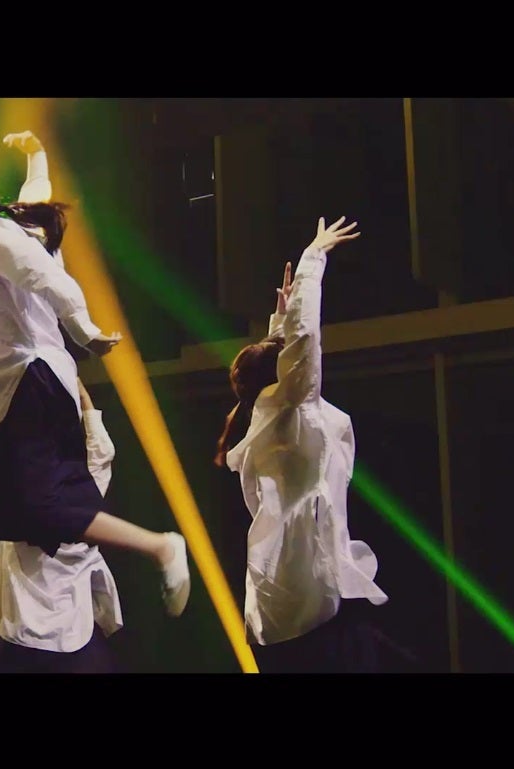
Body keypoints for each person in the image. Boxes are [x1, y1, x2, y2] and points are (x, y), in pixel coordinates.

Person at [0, 130, 190, 629]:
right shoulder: (19, 231)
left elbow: (49, 279)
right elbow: (36, 199)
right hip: (26, 383)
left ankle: (160, 546)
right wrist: (35, 155)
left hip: (34, 381)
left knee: (45, 502)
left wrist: (84, 331)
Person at [216, 215, 390, 673]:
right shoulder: (292, 410)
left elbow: (287, 356)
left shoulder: (266, 416)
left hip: (285, 600)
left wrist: (282, 319)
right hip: (314, 603)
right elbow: (304, 344)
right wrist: (314, 259)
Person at [0, 378, 124, 673]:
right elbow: (100, 448)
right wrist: (76, 387)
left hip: (29, 640)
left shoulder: (20, 503)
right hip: (65, 636)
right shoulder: (85, 492)